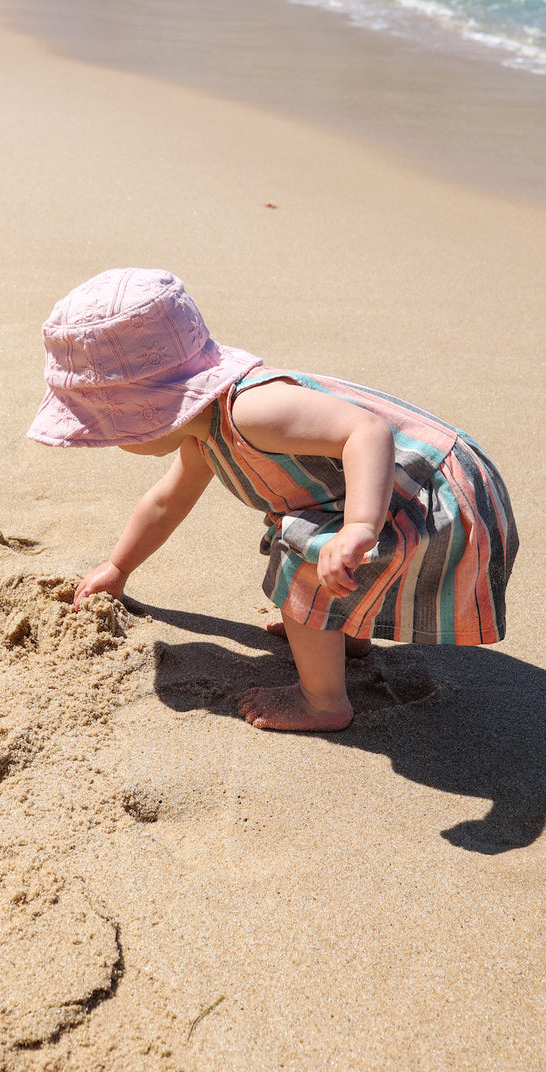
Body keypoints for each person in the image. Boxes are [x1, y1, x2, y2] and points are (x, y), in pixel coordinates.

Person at [28, 268, 518, 733]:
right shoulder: (204, 437)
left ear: (153, 408)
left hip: (432, 496)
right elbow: (164, 504)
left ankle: (323, 702)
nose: (112, 441)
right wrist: (118, 568)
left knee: (299, 552)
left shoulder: (250, 410)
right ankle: (342, 633)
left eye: (111, 428)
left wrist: (359, 528)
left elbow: (365, 431)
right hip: (388, 495)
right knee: (315, 545)